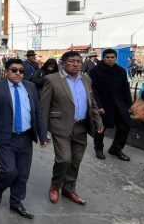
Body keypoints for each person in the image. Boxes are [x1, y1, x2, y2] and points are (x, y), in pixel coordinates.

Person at [0, 58, 47, 219]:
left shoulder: (30, 87)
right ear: (6, 71)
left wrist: (42, 134)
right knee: (9, 170)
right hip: (6, 137)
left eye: (21, 70)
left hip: (26, 137)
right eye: (14, 70)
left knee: (22, 174)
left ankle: (16, 202)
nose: (18, 73)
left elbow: (37, 113)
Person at [40, 51, 103, 205]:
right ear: (62, 63)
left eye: (78, 61)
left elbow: (92, 103)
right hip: (60, 126)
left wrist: (98, 120)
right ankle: (55, 186)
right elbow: (43, 107)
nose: (76, 64)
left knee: (76, 160)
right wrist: (42, 133)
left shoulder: (86, 80)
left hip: (81, 127)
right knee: (64, 159)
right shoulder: (52, 80)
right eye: (72, 61)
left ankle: (69, 189)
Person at [89, 48, 133, 161]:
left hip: (119, 104)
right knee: (101, 127)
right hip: (104, 104)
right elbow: (94, 90)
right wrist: (98, 106)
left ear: (115, 58)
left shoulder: (121, 71)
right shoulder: (95, 71)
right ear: (103, 58)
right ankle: (98, 148)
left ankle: (116, 149)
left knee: (125, 126)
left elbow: (125, 88)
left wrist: (129, 105)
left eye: (112, 57)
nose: (110, 59)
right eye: (107, 57)